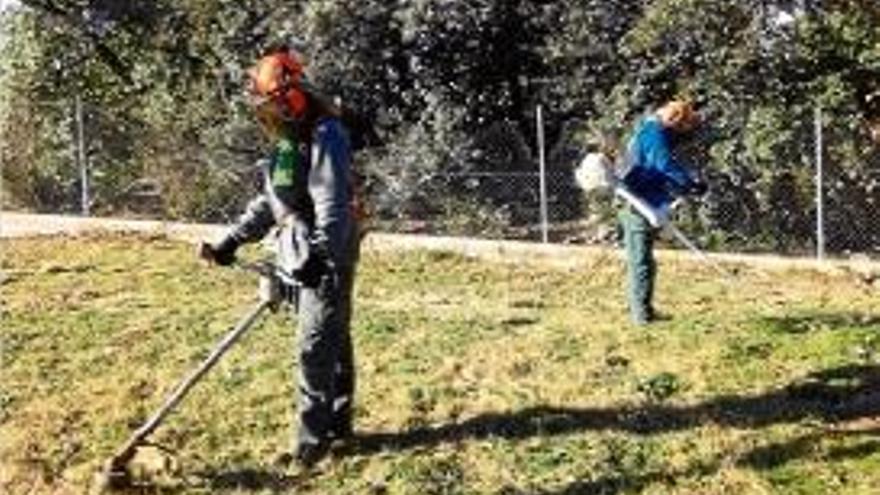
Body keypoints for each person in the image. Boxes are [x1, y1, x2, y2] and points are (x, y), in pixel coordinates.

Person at [199, 44, 360, 468]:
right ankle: (339, 428)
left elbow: (332, 204)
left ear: (290, 97)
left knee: (315, 346)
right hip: (304, 251)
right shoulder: (287, 143)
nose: (264, 112)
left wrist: (323, 257)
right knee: (332, 339)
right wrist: (230, 242)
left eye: (269, 102)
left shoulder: (324, 134)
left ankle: (311, 445)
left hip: (328, 252)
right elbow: (273, 201)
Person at [618, 100, 707, 325]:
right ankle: (642, 317)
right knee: (641, 262)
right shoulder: (655, 134)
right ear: (674, 120)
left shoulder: (649, 129)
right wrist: (689, 184)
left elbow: (662, 164)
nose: (680, 134)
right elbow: (664, 163)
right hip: (638, 203)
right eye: (681, 128)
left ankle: (640, 308)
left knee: (643, 260)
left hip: (647, 199)